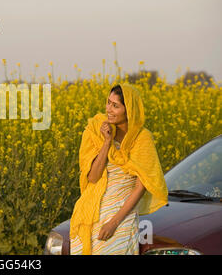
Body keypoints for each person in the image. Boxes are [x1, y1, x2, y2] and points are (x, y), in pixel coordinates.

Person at [69, 84, 168, 255]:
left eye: (116, 105)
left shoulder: (142, 139)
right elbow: (93, 177)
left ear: (128, 110)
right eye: (108, 103)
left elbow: (140, 187)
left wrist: (114, 223)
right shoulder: (96, 130)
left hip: (122, 217)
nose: (109, 109)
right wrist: (107, 142)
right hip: (91, 214)